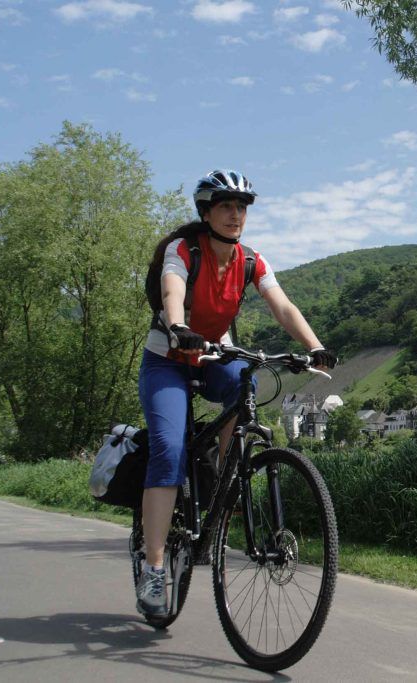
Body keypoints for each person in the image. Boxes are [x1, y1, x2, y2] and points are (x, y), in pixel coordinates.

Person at [136, 169, 336, 617]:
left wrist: (315, 347)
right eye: (226, 206)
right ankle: (153, 569)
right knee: (168, 449)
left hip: (213, 358)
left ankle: (223, 501)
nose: (235, 214)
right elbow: (173, 289)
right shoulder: (183, 250)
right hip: (168, 360)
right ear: (206, 212)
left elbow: (282, 304)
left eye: (241, 207)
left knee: (246, 384)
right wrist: (179, 326)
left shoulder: (250, 261)